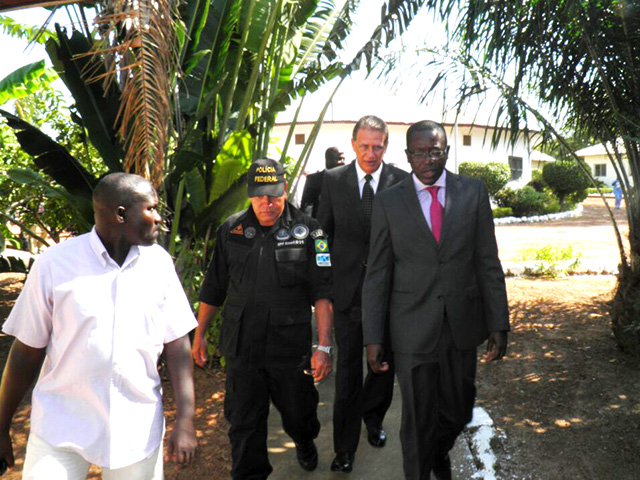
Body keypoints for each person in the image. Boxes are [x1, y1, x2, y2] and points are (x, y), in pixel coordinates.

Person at [0, 173, 197, 479]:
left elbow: (178, 345)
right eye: (151, 209)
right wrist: (1, 426)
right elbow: (26, 351)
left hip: (136, 427)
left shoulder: (159, 264)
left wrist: (186, 419)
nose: (158, 218)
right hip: (61, 423)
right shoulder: (54, 264)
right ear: (121, 214)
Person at [362, 120, 510, 480]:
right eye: (419, 152)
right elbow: (378, 272)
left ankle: (434, 454)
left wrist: (498, 323)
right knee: (417, 419)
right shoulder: (389, 201)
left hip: (460, 325)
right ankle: (421, 467)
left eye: (435, 150)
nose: (428, 159)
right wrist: (373, 337)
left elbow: (487, 262)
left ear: (446, 150)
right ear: (408, 155)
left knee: (459, 410)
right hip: (410, 327)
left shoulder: (472, 192)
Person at [192, 158, 333, 479]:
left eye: (272, 195)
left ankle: (303, 439)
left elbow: (323, 292)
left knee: (298, 414)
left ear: (284, 188)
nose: (266, 203)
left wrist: (324, 346)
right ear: (249, 194)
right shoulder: (231, 229)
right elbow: (214, 287)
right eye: (258, 196)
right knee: (244, 423)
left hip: (289, 347)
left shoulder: (311, 232)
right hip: (242, 346)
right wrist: (200, 334)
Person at [317, 115, 408, 473]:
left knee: (384, 366)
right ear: (353, 144)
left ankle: (373, 417)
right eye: (365, 145)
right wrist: (325, 281)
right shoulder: (333, 181)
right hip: (347, 293)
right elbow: (322, 237)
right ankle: (344, 448)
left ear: (387, 146)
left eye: (378, 146)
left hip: (389, 294)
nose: (371, 153)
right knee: (348, 373)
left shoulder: (400, 181)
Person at [301, 146, 345, 217]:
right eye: (340, 159)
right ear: (328, 159)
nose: (343, 162)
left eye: (344, 159)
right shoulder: (313, 180)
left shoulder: (348, 180)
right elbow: (306, 207)